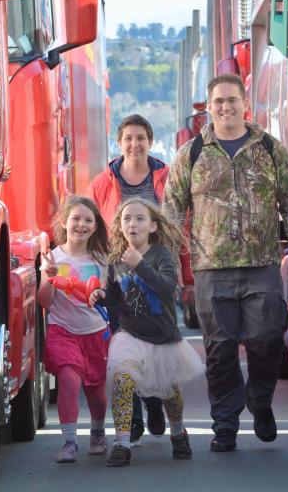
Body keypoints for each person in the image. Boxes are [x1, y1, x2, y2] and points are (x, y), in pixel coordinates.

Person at [163, 73, 288, 452]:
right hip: (212, 269)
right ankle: (224, 425)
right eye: (218, 102)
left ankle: (260, 401)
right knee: (220, 350)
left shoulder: (269, 149)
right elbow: (172, 211)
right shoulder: (191, 154)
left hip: (262, 265)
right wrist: (170, 267)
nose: (225, 107)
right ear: (208, 108)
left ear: (245, 103)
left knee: (267, 339)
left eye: (232, 100)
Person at [89, 198, 204, 467]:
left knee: (169, 392)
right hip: (130, 334)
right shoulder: (116, 259)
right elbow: (115, 294)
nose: (133, 223)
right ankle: (122, 442)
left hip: (163, 336)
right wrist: (100, 295)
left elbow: (167, 288)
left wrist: (140, 264)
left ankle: (178, 433)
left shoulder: (161, 254)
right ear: (120, 226)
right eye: (127, 218)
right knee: (121, 379)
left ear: (153, 226)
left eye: (140, 218)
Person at [86, 114, 179, 443]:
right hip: (119, 274)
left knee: (153, 344)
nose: (134, 144)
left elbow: (181, 227)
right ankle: (135, 414)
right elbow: (93, 230)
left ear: (150, 141)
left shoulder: (168, 177)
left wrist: (185, 273)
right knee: (124, 344)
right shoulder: (102, 183)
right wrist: (95, 275)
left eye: (141, 138)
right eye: (128, 138)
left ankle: (154, 403)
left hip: (155, 272)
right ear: (119, 142)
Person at [37, 196, 110, 463]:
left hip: (95, 333)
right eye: (76, 219)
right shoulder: (52, 258)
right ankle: (69, 442)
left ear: (95, 226)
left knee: (97, 393)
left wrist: (100, 293)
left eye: (88, 220)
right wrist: (49, 277)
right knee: (69, 381)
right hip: (62, 331)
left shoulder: (103, 259)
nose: (81, 224)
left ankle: (98, 431)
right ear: (65, 222)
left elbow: (109, 296)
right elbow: (44, 302)